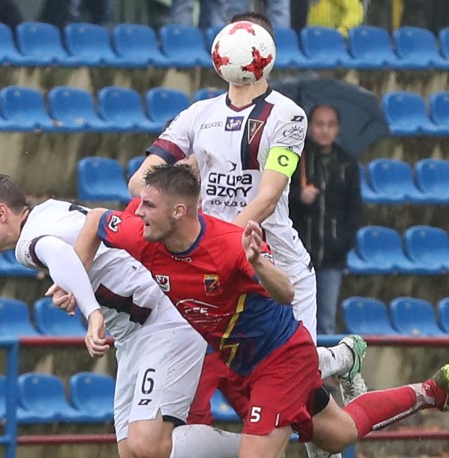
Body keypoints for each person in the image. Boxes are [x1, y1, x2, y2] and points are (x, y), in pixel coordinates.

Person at [75, 163, 449, 458]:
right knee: (339, 435)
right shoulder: (142, 234)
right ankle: (433, 390)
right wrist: (72, 284)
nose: (136, 212)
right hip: (244, 362)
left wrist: (259, 263)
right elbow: (94, 220)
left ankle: (342, 360)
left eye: (147, 205)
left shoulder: (232, 247)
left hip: (281, 361)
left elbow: (285, 293)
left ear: (179, 212)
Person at [129, 12, 367, 443]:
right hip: (215, 265)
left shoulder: (289, 118)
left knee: (304, 388)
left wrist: (219, 244)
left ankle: (339, 359)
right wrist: (180, 180)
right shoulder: (198, 115)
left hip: (273, 258)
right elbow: (140, 182)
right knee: (295, 405)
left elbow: (268, 195)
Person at [0, 173, 242, 458]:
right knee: (130, 451)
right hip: (134, 335)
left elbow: (58, 251)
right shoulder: (48, 211)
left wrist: (92, 312)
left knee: (147, 445)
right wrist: (73, 285)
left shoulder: (27, 244)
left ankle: (255, 449)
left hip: (165, 318)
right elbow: (77, 251)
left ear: (1, 213)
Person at [289, 105, 362, 336]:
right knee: (297, 319)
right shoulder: (299, 160)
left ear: (337, 128)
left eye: (330, 125)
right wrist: (299, 197)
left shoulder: (347, 164)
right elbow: (281, 199)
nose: (324, 130)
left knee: (326, 321)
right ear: (310, 127)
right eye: (319, 124)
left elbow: (354, 209)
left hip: (333, 256)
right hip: (301, 253)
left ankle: (324, 372)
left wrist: (344, 242)